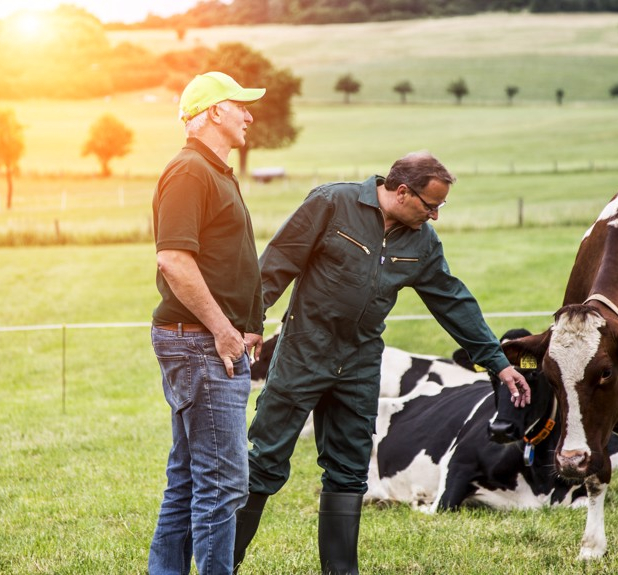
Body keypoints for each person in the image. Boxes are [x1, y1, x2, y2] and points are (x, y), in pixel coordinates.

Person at [233, 151, 532, 574]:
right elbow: (276, 264)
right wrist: (249, 322)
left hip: (359, 363)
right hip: (304, 351)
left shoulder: (422, 243)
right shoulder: (331, 203)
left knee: (350, 470)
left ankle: (341, 571)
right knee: (265, 461)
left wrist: (498, 363)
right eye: (431, 206)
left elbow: (453, 302)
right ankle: (222, 564)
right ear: (402, 192)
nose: (435, 217)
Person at [148, 71, 266, 575]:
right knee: (222, 482)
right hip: (201, 344)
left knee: (190, 478)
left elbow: (227, 258)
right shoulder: (190, 171)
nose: (249, 114)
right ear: (215, 111)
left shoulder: (215, 171)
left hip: (210, 341)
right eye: (240, 105)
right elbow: (174, 260)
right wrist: (224, 329)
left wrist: (249, 321)